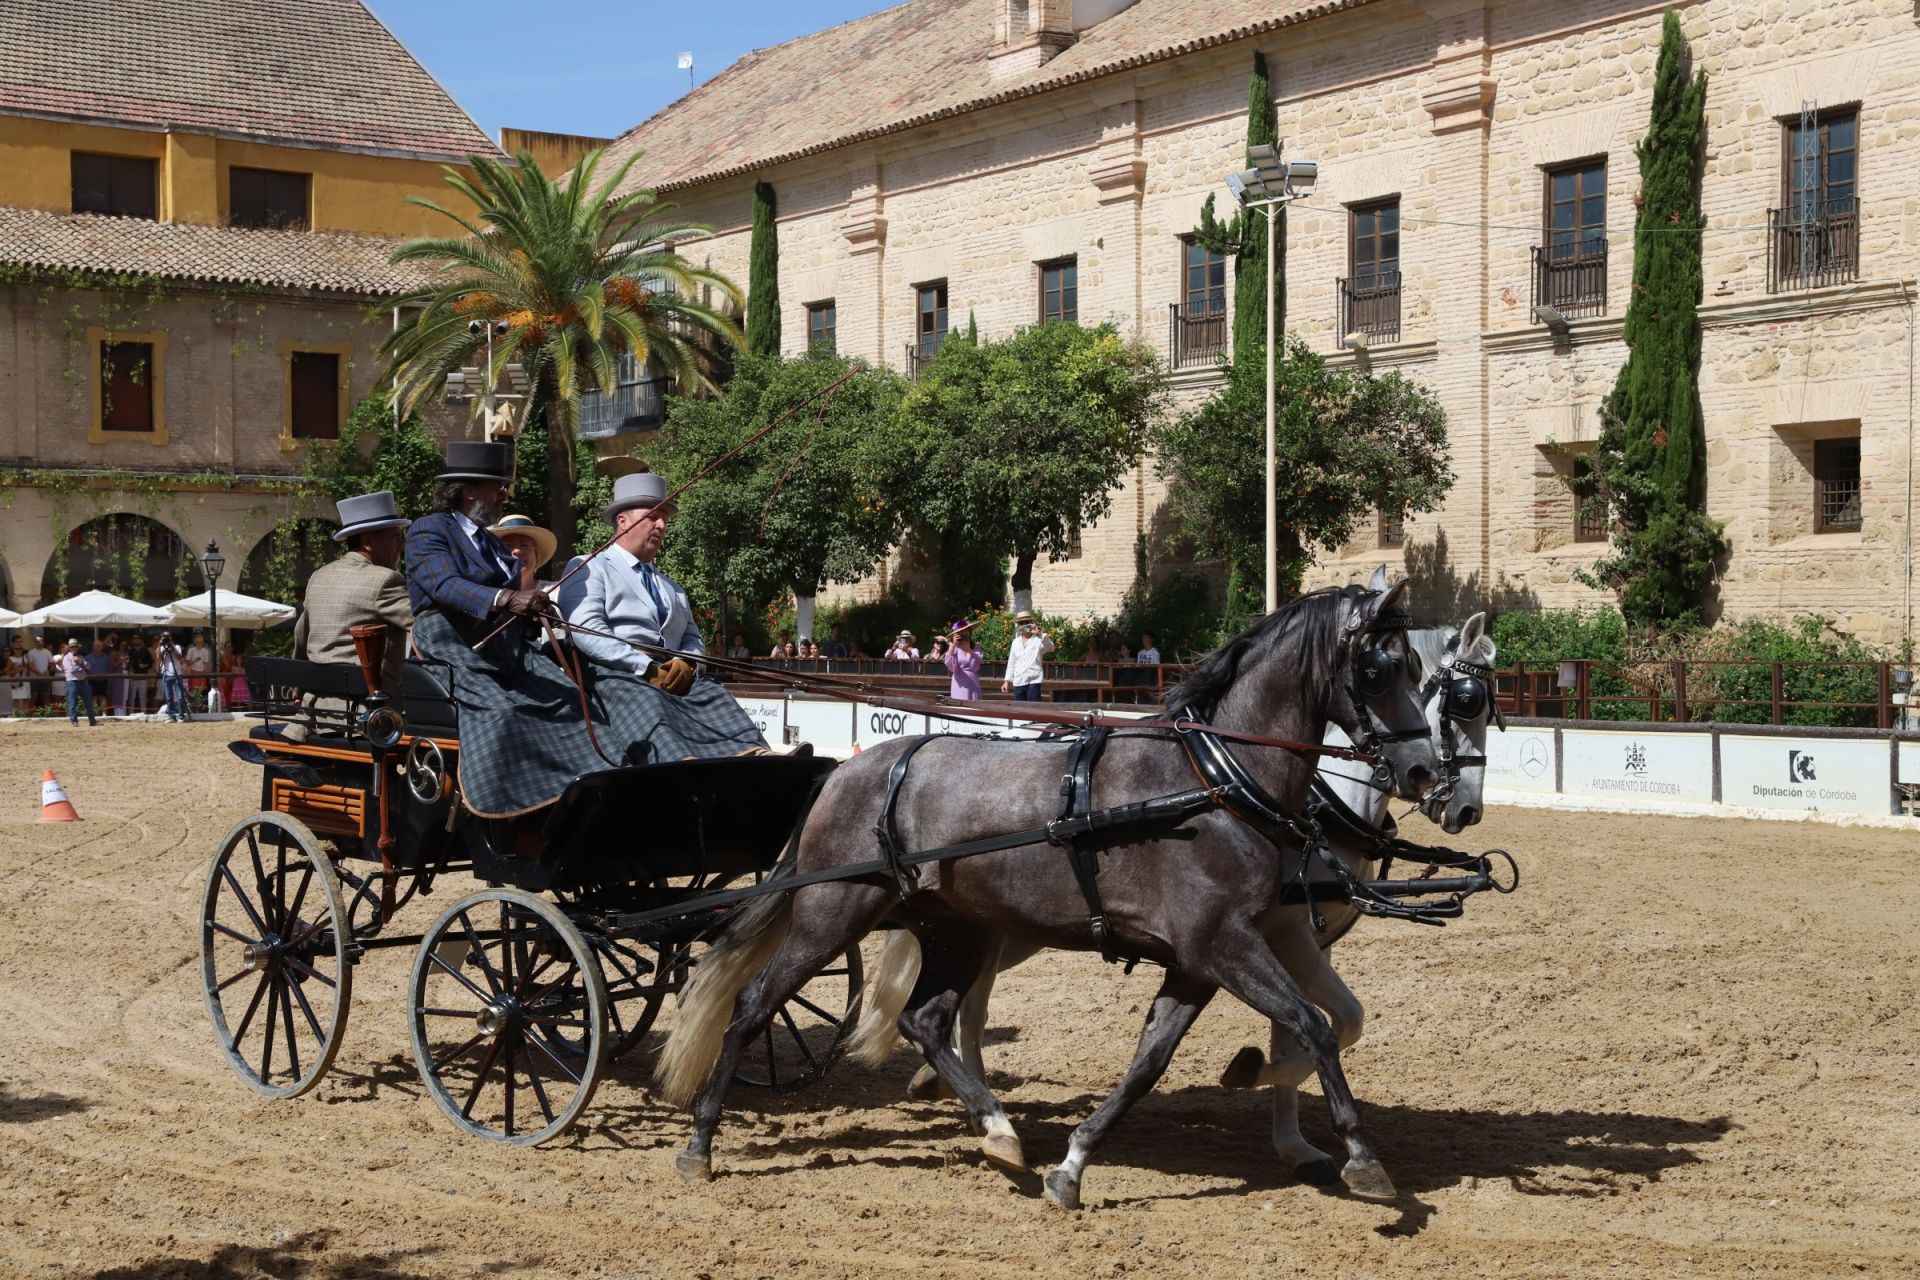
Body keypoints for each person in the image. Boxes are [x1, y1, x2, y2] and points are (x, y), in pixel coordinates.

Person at [565, 470, 769, 762]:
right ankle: (681, 764)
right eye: (652, 517)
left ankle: (757, 755)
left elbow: (692, 638)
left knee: (713, 693)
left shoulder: (673, 589)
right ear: (622, 521)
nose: (661, 525)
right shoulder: (588, 567)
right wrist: (646, 667)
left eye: (664, 519)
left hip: (674, 676)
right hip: (618, 676)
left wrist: (686, 662)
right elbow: (586, 629)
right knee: (647, 700)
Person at [295, 490, 416, 704]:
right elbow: (426, 627)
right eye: (395, 537)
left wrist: (298, 687)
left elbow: (301, 639)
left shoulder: (318, 576)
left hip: (315, 709)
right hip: (368, 713)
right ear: (368, 541)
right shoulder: (385, 580)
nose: (401, 546)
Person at [489, 514, 559, 592]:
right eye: (508, 546)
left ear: (536, 554)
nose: (517, 551)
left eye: (524, 545)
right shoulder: (487, 595)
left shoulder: (557, 592)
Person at [1000, 609, 1054, 702]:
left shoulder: (1038, 639)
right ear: (1018, 625)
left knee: (1034, 711)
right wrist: (1006, 681)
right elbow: (1012, 662)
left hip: (1034, 681)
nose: (1024, 625)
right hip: (1018, 682)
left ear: (1031, 623)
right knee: (1020, 712)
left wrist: (1040, 634)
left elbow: (1051, 647)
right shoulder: (1015, 642)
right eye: (1021, 623)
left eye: (1027, 622)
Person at [59, 639, 97, 726]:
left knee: (89, 703)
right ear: (69, 648)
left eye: (75, 646)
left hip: (83, 682)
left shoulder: (81, 657)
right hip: (72, 682)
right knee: (72, 703)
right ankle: (74, 721)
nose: (74, 648)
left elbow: (89, 666)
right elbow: (71, 669)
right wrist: (81, 667)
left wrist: (80, 661)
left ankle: (92, 721)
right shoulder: (66, 658)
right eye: (72, 647)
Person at [154, 629, 188, 723]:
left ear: (171, 637)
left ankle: (181, 716)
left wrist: (172, 648)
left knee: (180, 697)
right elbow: (158, 658)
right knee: (169, 697)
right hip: (166, 674)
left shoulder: (176, 646)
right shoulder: (161, 647)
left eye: (167, 636)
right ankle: (172, 716)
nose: (165, 638)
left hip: (177, 674)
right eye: (164, 636)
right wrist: (160, 644)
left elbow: (180, 658)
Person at [944, 622, 982, 701]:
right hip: (959, 682)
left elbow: (975, 667)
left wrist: (969, 650)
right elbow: (951, 666)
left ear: (970, 633)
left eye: (966, 632)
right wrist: (953, 644)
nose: (964, 635)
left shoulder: (976, 647)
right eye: (961, 633)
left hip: (973, 682)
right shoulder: (955, 647)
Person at [125, 633, 152, 715]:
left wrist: (145, 665)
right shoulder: (129, 651)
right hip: (132, 676)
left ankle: (144, 713)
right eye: (134, 638)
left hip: (143, 676)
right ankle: (131, 713)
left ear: (141, 640)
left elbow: (150, 663)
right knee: (132, 697)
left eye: (138, 638)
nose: (136, 639)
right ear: (132, 640)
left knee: (143, 697)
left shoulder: (145, 651)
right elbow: (126, 663)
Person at [185, 630, 212, 709]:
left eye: (201, 637)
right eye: (197, 637)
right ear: (194, 640)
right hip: (193, 672)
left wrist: (205, 670)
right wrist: (195, 661)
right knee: (194, 691)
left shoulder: (205, 650)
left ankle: (200, 708)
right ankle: (194, 708)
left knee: (201, 692)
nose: (199, 639)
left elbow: (206, 663)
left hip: (202, 672)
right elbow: (187, 663)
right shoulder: (191, 650)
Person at [85, 639, 112, 711]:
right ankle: (94, 714)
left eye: (98, 646)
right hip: (92, 681)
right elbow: (85, 670)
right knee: (93, 698)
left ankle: (104, 715)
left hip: (103, 680)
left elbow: (109, 669)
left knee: (103, 698)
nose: (96, 647)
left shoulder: (106, 658)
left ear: (102, 647)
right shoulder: (88, 658)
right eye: (94, 646)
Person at [26, 634, 51, 709]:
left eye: (40, 641)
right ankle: (31, 715)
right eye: (37, 641)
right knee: (33, 697)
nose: (39, 642)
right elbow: (30, 665)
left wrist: (48, 671)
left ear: (43, 642)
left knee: (46, 697)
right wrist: (39, 673)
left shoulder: (47, 652)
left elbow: (52, 663)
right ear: (35, 642)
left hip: (45, 678)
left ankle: (49, 714)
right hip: (35, 678)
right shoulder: (31, 652)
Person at [7, 645, 31, 717]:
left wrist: (27, 670)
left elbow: (29, 670)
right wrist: (17, 670)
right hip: (15, 681)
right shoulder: (11, 659)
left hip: (25, 681)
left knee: (25, 699)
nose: (18, 650)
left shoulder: (26, 658)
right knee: (15, 699)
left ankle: (25, 716)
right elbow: (7, 672)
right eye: (16, 648)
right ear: (13, 650)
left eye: (20, 649)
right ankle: (15, 716)